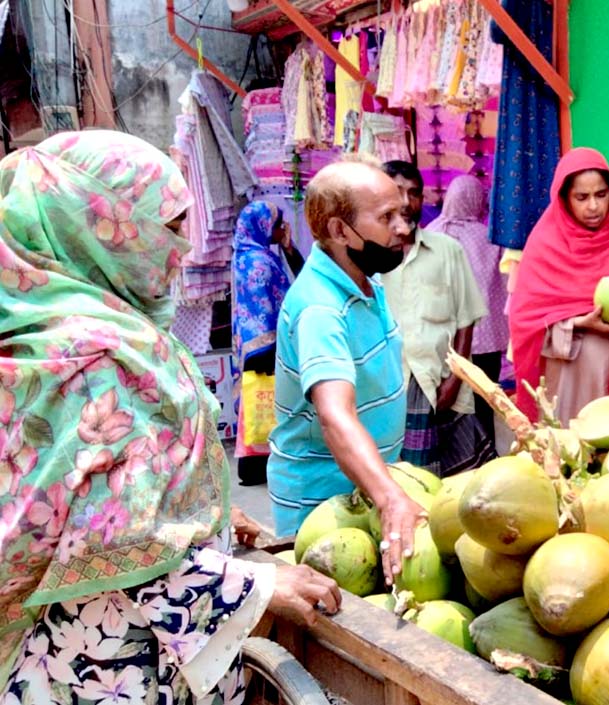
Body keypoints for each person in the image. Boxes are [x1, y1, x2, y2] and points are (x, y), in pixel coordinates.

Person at [0, 130, 340, 702]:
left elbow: (74, 496)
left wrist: (206, 519)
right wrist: (256, 585)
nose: (182, 249)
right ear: (100, 225)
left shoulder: (35, 333)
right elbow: (109, 545)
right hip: (110, 665)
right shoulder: (108, 355)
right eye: (171, 228)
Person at [268, 159, 425, 576]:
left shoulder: (365, 281)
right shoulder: (320, 308)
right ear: (340, 231)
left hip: (367, 487)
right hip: (326, 502)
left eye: (403, 214)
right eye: (387, 217)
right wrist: (391, 498)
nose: (403, 228)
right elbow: (334, 414)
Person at [509, 147, 609, 429]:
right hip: (572, 380)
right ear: (564, 198)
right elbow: (525, 323)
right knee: (575, 455)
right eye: (581, 197)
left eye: (601, 195)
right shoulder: (545, 244)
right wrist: (579, 323)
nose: (593, 207)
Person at [380, 162, 496, 477]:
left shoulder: (448, 250)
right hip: (388, 387)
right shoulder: (369, 257)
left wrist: (455, 382)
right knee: (398, 483)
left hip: (438, 383)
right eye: (397, 192)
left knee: (455, 486)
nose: (406, 202)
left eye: (414, 193)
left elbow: (466, 319)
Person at [427, 174, 510, 445]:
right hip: (484, 339)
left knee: (447, 403)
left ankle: (452, 456)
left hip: (443, 338)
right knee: (484, 401)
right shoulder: (488, 238)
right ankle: (484, 454)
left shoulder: (430, 233)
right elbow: (506, 282)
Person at [231, 200, 304, 487]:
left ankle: (251, 468)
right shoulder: (261, 262)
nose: (282, 228)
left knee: (254, 405)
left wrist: (286, 247)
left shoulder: (245, 255)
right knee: (268, 404)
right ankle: (263, 467)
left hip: (249, 345)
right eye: (277, 224)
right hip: (266, 344)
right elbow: (287, 294)